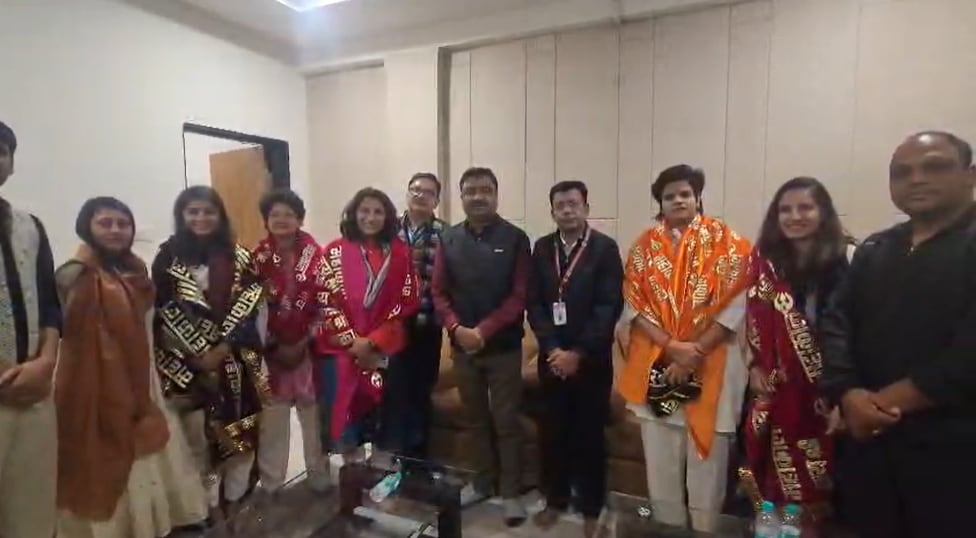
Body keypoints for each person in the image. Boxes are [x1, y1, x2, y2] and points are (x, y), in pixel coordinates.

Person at [820, 131, 976, 538]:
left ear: (970, 175)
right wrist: (847, 393)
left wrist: (880, 404)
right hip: (870, 451)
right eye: (902, 172)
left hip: (954, 452)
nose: (917, 179)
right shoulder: (876, 248)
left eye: (935, 167)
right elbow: (836, 323)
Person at [55, 197, 208, 538]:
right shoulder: (74, 275)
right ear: (86, 228)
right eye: (105, 223)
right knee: (106, 457)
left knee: (148, 451)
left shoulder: (137, 272)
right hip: (95, 385)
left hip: (142, 378)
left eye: (123, 224)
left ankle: (150, 525)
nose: (115, 230)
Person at [618, 164, 751, 532]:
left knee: (707, 471)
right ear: (660, 203)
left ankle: (705, 532)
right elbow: (634, 306)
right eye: (669, 196)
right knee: (662, 471)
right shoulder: (644, 248)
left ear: (697, 198)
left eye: (685, 194)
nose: (678, 200)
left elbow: (737, 304)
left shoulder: (728, 243)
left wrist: (696, 351)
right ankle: (669, 531)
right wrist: (673, 347)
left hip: (713, 368)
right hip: (660, 366)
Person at [152, 186, 270, 523]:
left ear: (220, 216)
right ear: (182, 216)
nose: (201, 218)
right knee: (199, 445)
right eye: (193, 211)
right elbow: (161, 310)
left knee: (240, 438)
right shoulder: (167, 258)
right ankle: (208, 506)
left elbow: (251, 308)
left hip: (236, 362)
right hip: (187, 368)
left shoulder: (240, 256)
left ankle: (235, 499)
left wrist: (223, 347)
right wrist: (197, 354)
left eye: (208, 211)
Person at [738, 177, 852, 525]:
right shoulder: (766, 262)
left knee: (822, 491)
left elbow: (856, 331)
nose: (794, 216)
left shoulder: (848, 258)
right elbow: (751, 321)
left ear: (823, 212)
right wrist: (753, 367)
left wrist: (844, 394)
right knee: (770, 490)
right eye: (785, 210)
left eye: (805, 208)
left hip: (827, 394)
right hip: (775, 392)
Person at [432, 166, 532, 526]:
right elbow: (438, 291)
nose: (478, 197)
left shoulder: (516, 238)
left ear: (496, 194)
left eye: (485, 190)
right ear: (461, 197)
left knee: (506, 421)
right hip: (462, 347)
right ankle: (482, 482)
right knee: (474, 419)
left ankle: (511, 492)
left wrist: (483, 331)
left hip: (503, 348)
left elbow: (519, 295)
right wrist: (456, 328)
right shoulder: (448, 239)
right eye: (470, 191)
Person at [527, 181, 623, 538]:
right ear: (552, 211)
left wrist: (577, 353)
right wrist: (553, 349)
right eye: (560, 205)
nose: (567, 210)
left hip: (591, 360)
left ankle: (591, 507)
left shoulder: (604, 249)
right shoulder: (542, 248)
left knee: (589, 435)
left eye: (573, 203)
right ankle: (555, 499)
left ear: (586, 208)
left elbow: (608, 306)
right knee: (552, 432)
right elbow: (534, 303)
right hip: (551, 358)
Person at [315, 187, 418, 456]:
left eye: (378, 212)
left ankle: (382, 470)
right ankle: (353, 471)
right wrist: (354, 342)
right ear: (353, 214)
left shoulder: (400, 253)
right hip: (342, 350)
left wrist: (372, 342)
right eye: (364, 211)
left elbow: (407, 301)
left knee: (385, 421)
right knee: (348, 426)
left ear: (387, 217)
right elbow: (325, 300)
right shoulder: (334, 251)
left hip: (383, 349)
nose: (370, 218)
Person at [0, 120, 61, 538]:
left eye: (1, 151)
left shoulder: (31, 227)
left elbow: (50, 306)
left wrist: (46, 363)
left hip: (33, 391)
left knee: (31, 510)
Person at [252, 189, 329, 493]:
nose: (282, 220)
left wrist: (304, 341)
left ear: (300, 219)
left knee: (314, 420)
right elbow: (248, 309)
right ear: (266, 220)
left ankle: (319, 477)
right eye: (275, 214)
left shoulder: (317, 256)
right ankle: (271, 485)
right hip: (271, 354)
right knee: (273, 422)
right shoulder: (254, 259)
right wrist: (273, 344)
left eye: (289, 214)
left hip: (309, 350)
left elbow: (328, 302)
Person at [380, 172, 446, 458]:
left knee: (421, 393)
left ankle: (418, 458)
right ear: (407, 194)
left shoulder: (446, 234)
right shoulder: (387, 230)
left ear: (437, 201)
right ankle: (391, 456)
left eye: (428, 192)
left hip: (427, 325)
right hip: (390, 327)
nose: (420, 195)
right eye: (415, 189)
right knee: (391, 392)